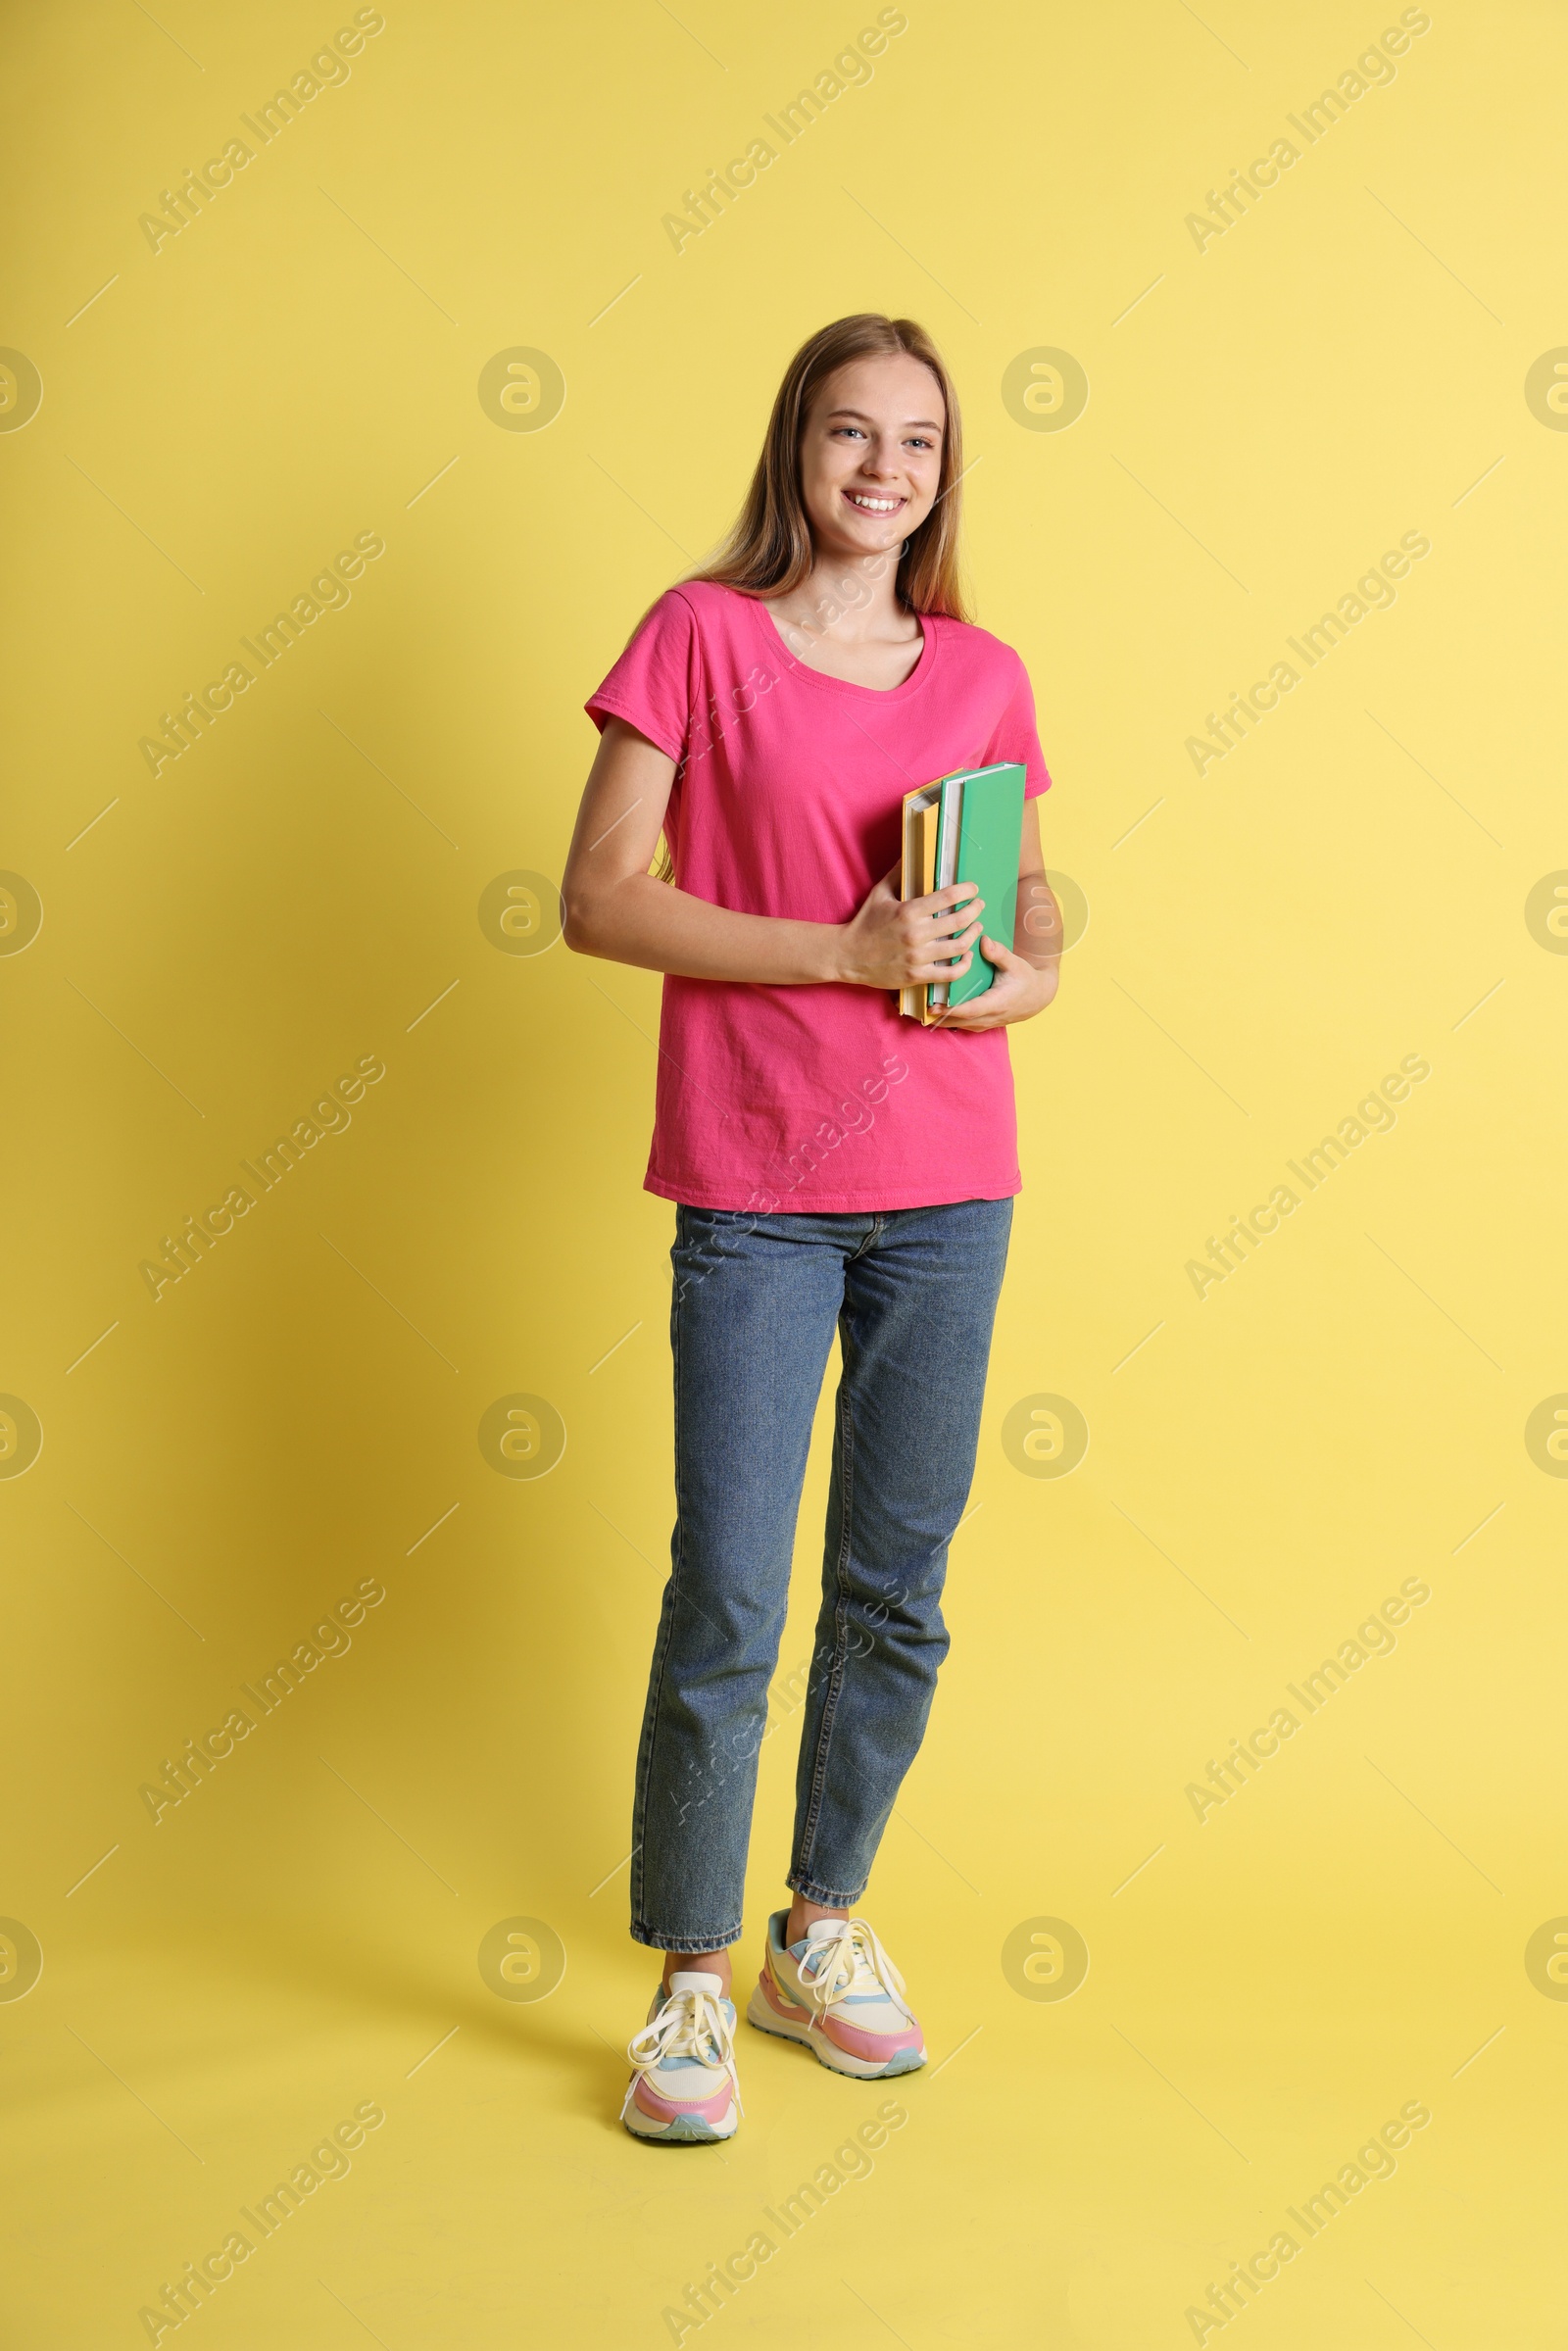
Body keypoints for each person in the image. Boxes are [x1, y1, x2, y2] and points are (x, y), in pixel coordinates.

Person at [564, 312, 1061, 2143]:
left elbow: (1024, 894)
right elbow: (602, 900)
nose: (883, 470)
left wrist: (1035, 959)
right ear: (798, 450)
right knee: (734, 1589)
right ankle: (690, 1974)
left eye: (917, 444)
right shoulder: (698, 638)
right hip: (761, 1185)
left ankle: (818, 1929)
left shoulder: (987, 666)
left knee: (895, 1590)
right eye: (851, 435)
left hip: (950, 1185)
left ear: (945, 474)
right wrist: (843, 953)